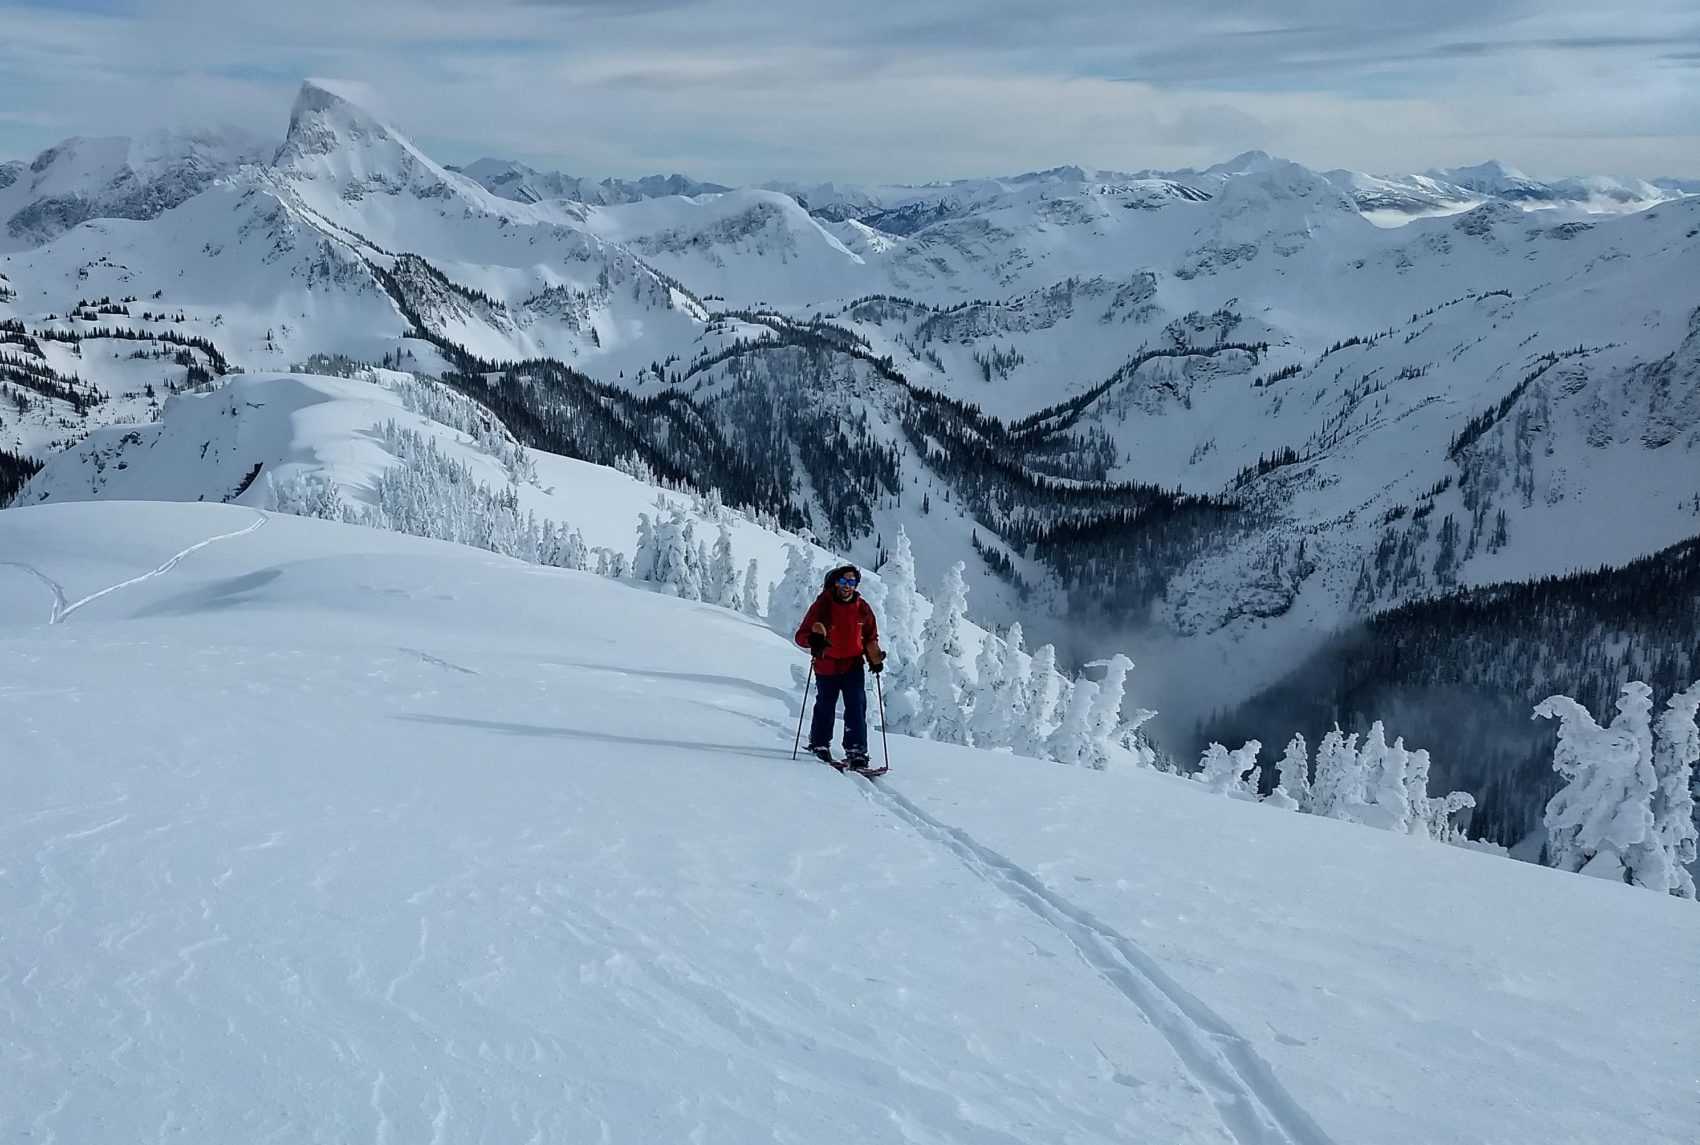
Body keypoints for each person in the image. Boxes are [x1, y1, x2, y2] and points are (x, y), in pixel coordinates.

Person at [794, 564, 885, 766]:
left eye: (852, 582)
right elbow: (801, 636)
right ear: (835, 583)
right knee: (826, 703)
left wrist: (874, 658)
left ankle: (857, 751)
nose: (847, 586)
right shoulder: (822, 606)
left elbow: (870, 637)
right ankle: (820, 744)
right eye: (844, 581)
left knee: (856, 705)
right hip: (827, 663)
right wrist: (813, 641)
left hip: (852, 664)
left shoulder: (863, 608)